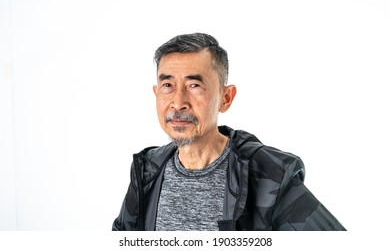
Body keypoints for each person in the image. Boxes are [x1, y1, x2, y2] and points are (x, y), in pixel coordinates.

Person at [112, 33, 346, 231]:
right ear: (156, 94)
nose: (178, 102)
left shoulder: (269, 175)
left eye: (194, 85)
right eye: (167, 85)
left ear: (225, 98)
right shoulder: (146, 171)